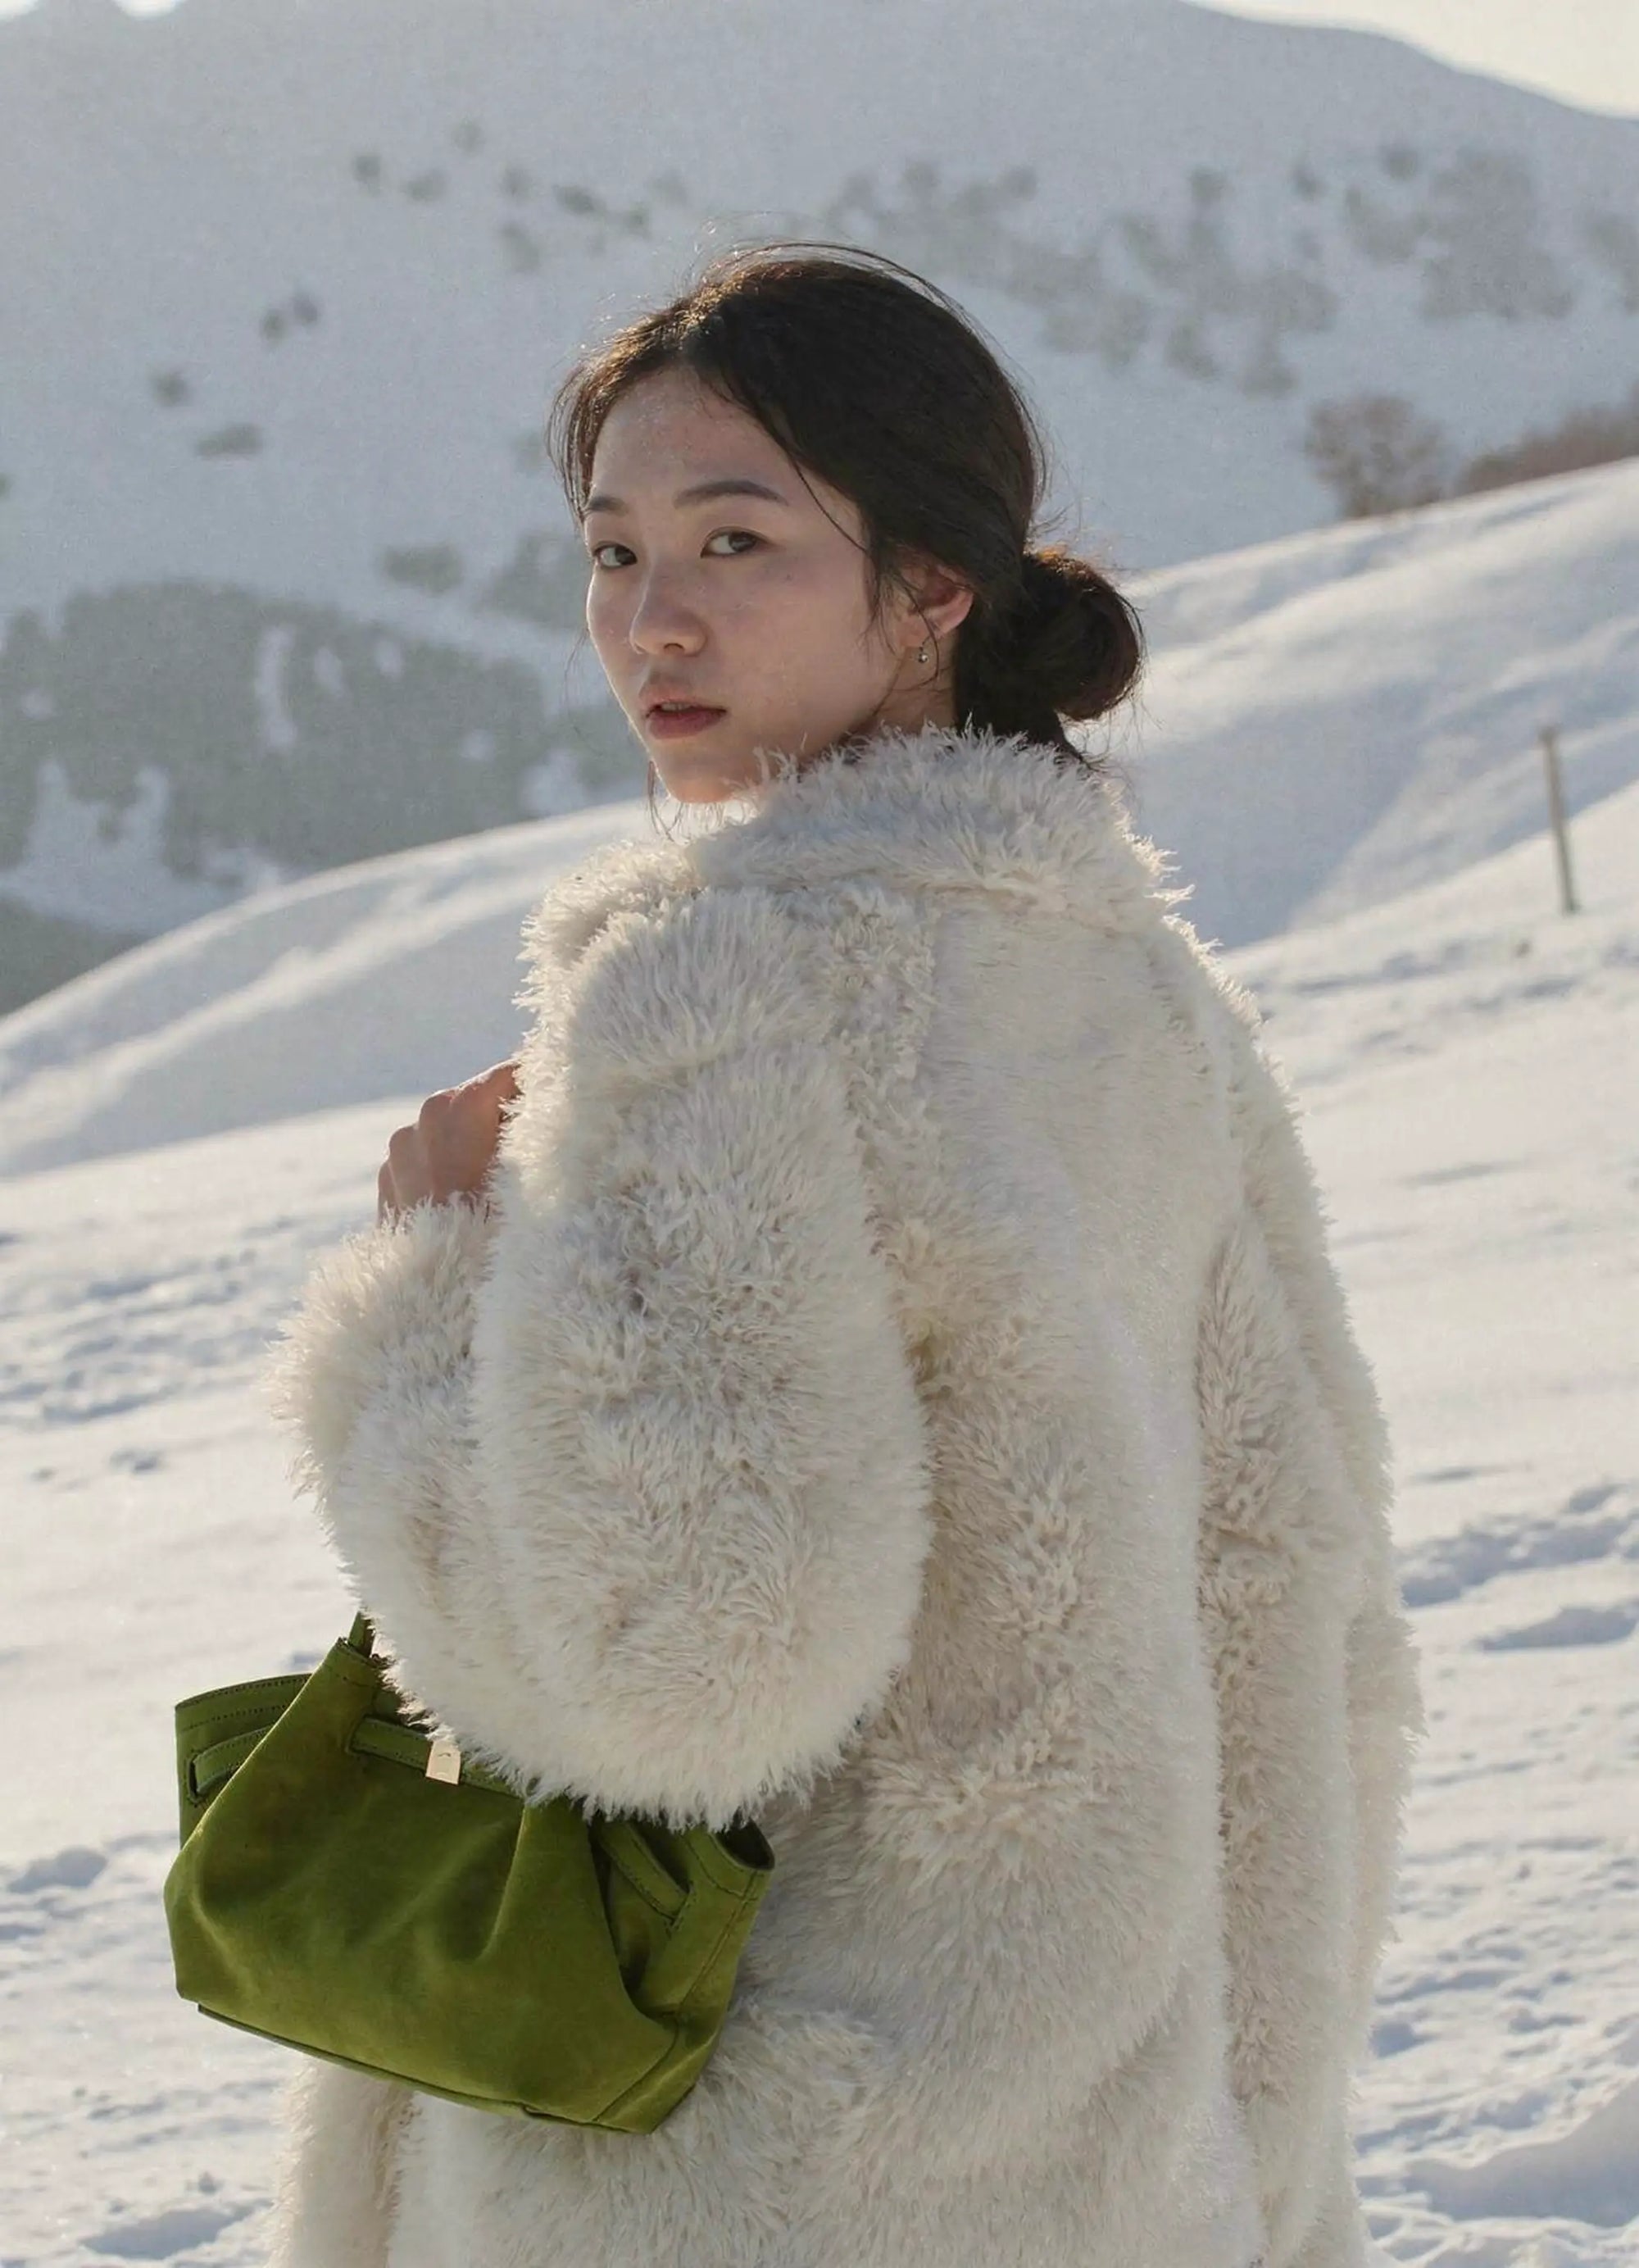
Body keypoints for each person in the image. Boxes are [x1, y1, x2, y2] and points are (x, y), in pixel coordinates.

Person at [261, 242, 1426, 2268]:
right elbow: (1307, 1605)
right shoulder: (1134, 983)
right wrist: (1261, 2142)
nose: (657, 616)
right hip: (1129, 2164)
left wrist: (424, 1308)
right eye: (614, 550)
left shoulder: (721, 984)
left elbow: (667, 1662)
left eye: (741, 538)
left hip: (762, 2176)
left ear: (932, 588)